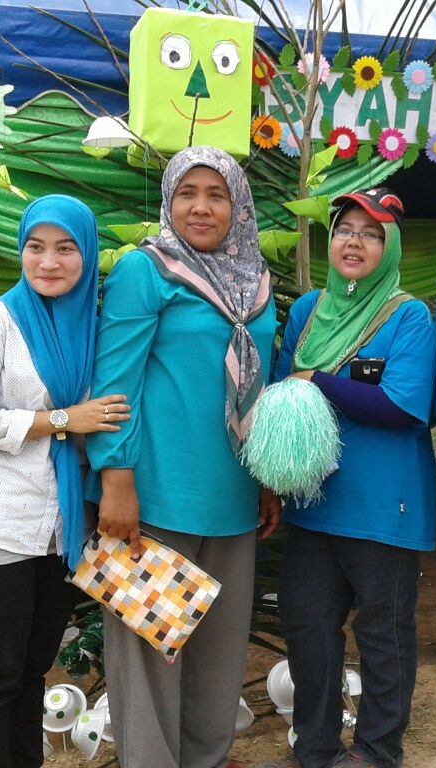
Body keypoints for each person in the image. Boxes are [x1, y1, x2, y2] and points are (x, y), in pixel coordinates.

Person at [88, 146, 281, 768]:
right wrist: (116, 479)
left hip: (233, 496)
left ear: (238, 206)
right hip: (155, 498)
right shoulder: (147, 271)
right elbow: (115, 383)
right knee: (150, 657)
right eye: (187, 193)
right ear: (168, 201)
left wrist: (268, 478)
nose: (201, 207)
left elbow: (261, 386)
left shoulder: (257, 284)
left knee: (219, 661)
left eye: (216, 194)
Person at [0, 194, 130, 768]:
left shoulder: (94, 331)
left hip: (61, 533)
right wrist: (62, 420)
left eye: (66, 248)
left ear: (87, 254)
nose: (49, 262)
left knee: (32, 670)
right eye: (36, 247)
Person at [265, 188, 436, 768]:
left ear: (391, 248)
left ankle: (375, 751)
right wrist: (271, 481)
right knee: (308, 627)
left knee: (383, 635)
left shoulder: (407, 316)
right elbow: (282, 399)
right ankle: (315, 746)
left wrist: (318, 380)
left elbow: (401, 405)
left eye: (371, 234)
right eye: (344, 230)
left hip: (384, 506)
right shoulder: (309, 311)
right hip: (314, 504)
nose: (354, 242)